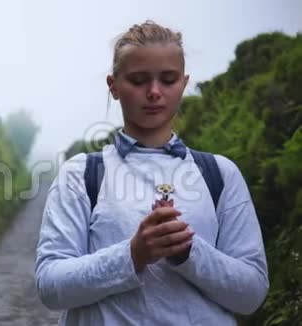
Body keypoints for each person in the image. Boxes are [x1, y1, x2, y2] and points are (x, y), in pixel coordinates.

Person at [34, 20, 269, 325]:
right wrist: (133, 254)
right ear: (113, 86)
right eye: (139, 79)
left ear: (184, 84)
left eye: (168, 79)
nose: (155, 92)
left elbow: (252, 294)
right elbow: (50, 286)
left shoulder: (221, 174)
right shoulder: (80, 174)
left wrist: (190, 253)